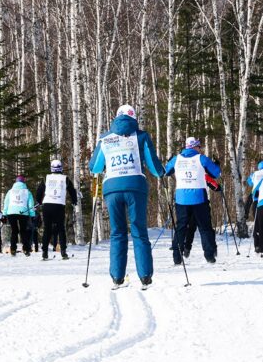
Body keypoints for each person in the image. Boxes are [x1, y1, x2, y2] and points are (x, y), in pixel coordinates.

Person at [89, 104, 165, 288]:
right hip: (135, 187)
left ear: (116, 117)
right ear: (134, 117)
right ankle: (145, 276)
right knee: (139, 231)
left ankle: (117, 277)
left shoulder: (105, 139)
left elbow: (95, 167)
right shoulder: (141, 136)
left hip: (112, 188)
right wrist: (161, 172)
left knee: (118, 233)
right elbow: (154, 168)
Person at [165, 137, 221, 265]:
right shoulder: (201, 158)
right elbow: (217, 173)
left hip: (181, 198)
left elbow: (166, 171)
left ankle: (177, 256)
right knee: (204, 226)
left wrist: (169, 162)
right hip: (198, 197)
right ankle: (209, 255)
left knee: (181, 227)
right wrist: (216, 164)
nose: (199, 149)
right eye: (199, 147)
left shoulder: (177, 158)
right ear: (196, 147)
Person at [36, 159, 77, 260]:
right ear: (60, 168)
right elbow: (72, 190)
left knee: (47, 229)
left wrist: (38, 202)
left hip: (47, 205)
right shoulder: (65, 178)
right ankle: (63, 252)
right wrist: (74, 201)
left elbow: (39, 191)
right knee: (61, 229)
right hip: (59, 205)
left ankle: (45, 252)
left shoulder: (46, 178)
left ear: (52, 168)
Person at [182, 173, 221, 258]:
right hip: (201, 204)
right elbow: (214, 186)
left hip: (187, 203)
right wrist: (218, 187)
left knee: (190, 227)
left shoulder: (184, 172)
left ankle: (186, 248)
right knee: (206, 228)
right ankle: (212, 249)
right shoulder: (202, 173)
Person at [3, 175, 35, 256]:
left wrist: (4, 214)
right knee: (23, 231)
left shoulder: (10, 191)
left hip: (11, 212)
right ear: (24, 182)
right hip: (23, 212)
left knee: (14, 231)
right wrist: (32, 215)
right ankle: (26, 249)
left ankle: (13, 249)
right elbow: (31, 205)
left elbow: (6, 203)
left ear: (15, 182)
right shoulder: (27, 191)